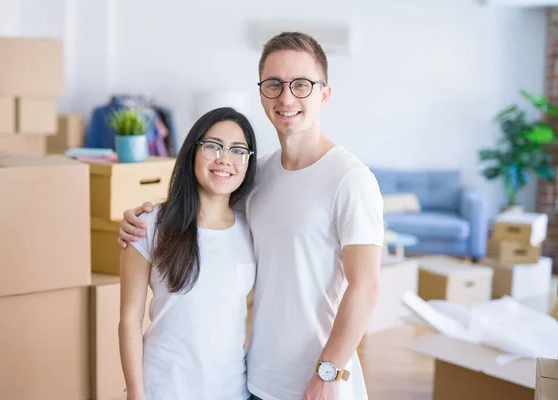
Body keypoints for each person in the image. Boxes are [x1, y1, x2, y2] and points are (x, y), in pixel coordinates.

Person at [118, 32, 383, 400]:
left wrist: (329, 372)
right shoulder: (260, 179)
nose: (286, 97)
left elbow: (366, 286)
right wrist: (141, 216)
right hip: (255, 383)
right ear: (261, 94)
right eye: (274, 84)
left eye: (301, 85)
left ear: (324, 94)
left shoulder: (351, 180)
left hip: (319, 384)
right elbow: (208, 216)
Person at [118, 107, 258, 400]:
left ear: (248, 162)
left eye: (237, 150)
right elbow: (129, 319)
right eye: (213, 146)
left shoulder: (254, 231)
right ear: (192, 151)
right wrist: (135, 393)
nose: (224, 159)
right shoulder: (149, 224)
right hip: (162, 388)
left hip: (232, 391)